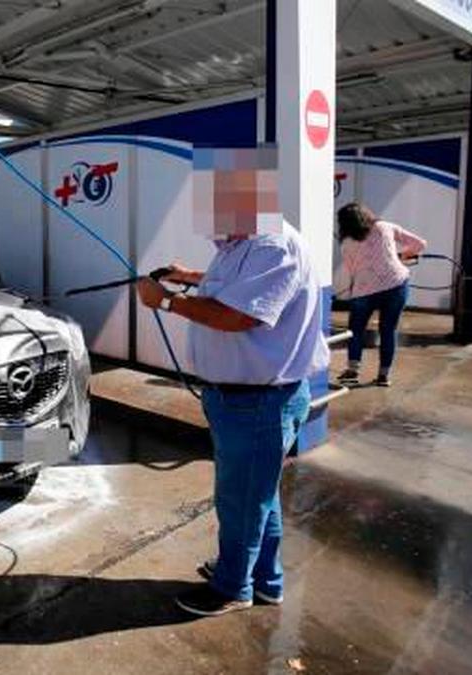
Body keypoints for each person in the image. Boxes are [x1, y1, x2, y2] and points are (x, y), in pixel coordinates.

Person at [136, 147, 329, 617]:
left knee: (242, 499)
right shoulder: (245, 243)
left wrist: (165, 302)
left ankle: (231, 589)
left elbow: (237, 314)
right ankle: (266, 580)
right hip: (246, 400)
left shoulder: (272, 245)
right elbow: (237, 287)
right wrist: (189, 276)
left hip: (258, 402)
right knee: (257, 495)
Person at [334, 203, 426, 387]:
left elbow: (353, 270)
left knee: (356, 331)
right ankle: (384, 376)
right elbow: (420, 244)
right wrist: (401, 256)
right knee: (388, 330)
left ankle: (353, 371)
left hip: (364, 290)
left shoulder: (346, 243)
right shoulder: (385, 227)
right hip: (396, 284)